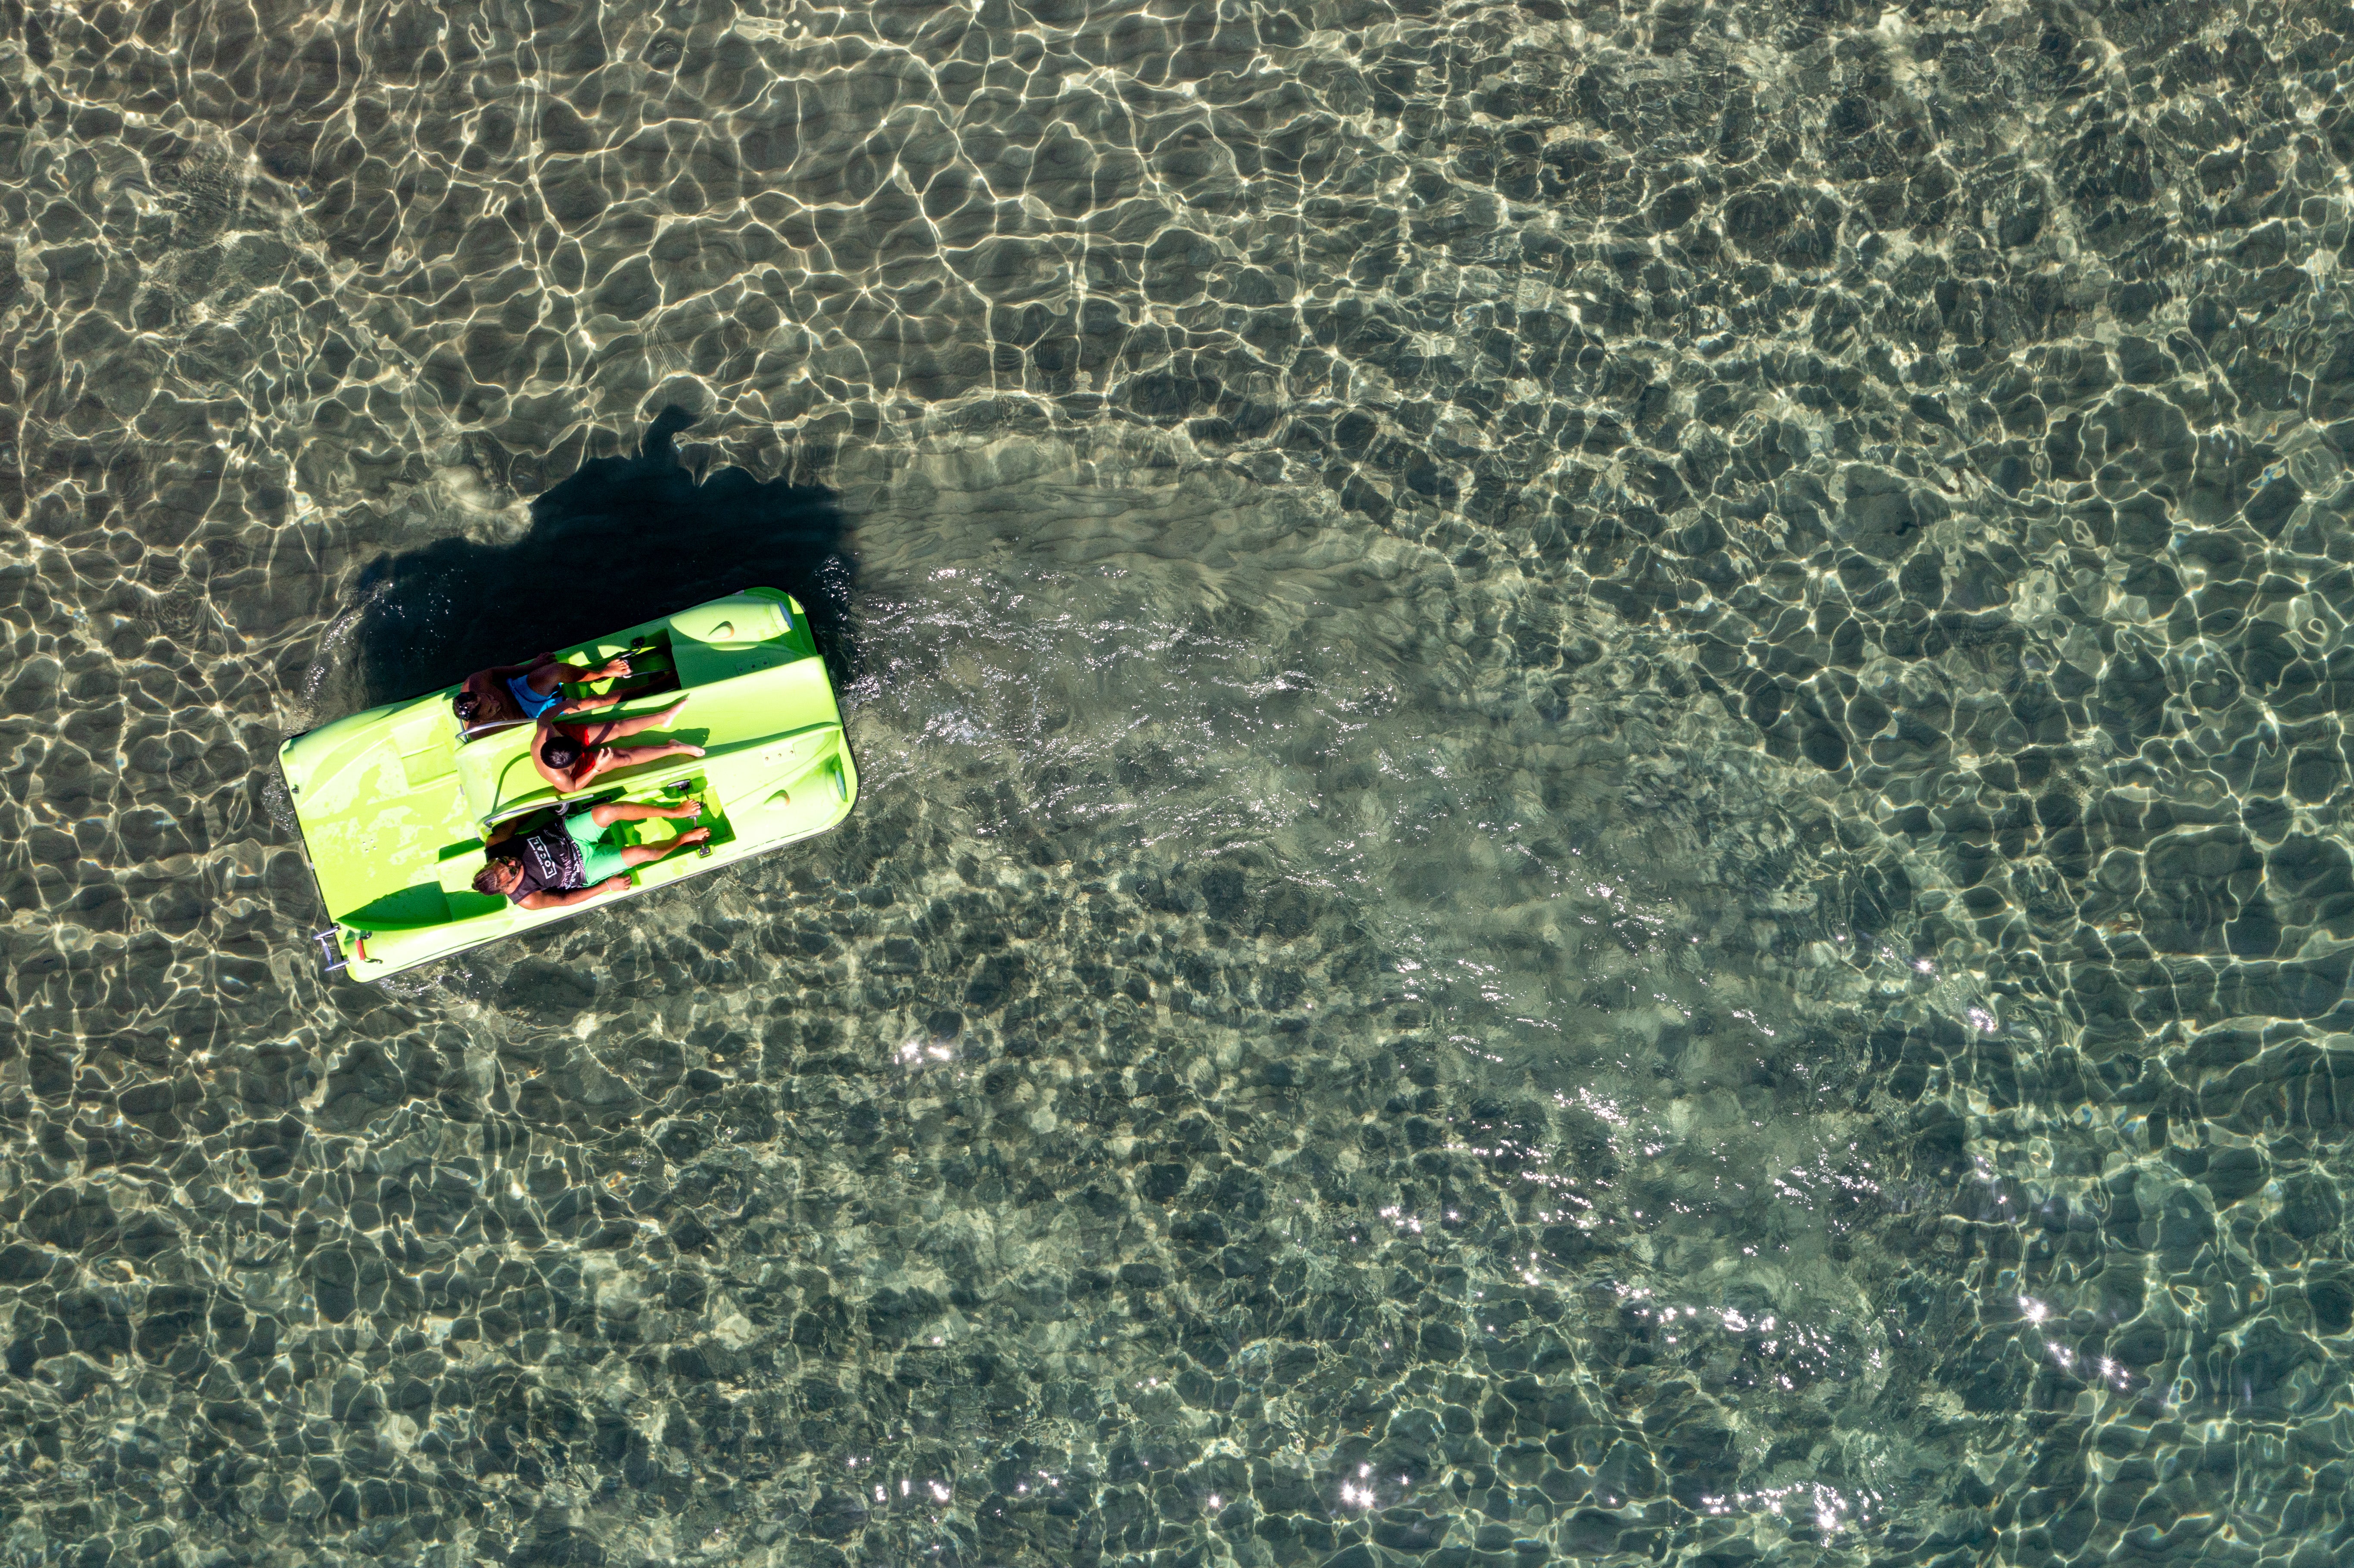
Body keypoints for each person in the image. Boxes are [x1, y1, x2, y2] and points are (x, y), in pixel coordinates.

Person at [472, 799, 711, 909]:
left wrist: (545, 804)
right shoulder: (527, 899)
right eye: (513, 871)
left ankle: (674, 812)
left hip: (567, 833)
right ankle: (682, 839)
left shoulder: (496, 844)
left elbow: (516, 821)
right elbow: (565, 900)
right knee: (643, 853)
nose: (513, 862)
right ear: (507, 886)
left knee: (608, 811)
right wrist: (606, 887)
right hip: (582, 868)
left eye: (504, 861)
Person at [533, 697, 704, 794]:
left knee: (616, 728)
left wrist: (566, 704)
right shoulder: (560, 778)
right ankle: (674, 748)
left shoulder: (546, 731)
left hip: (568, 737)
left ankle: (664, 717)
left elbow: (544, 717)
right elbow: (573, 788)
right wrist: (596, 769)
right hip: (577, 763)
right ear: (569, 766)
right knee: (623, 758)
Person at [452, 651, 659, 728]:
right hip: (533, 718)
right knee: (595, 703)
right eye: (492, 708)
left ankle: (601, 674)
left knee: (555, 670)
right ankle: (655, 687)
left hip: (518, 692)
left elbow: (495, 673)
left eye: (489, 697)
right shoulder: (483, 734)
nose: (495, 701)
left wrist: (531, 667)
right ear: (479, 720)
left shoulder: (475, 681)